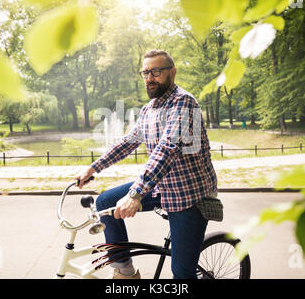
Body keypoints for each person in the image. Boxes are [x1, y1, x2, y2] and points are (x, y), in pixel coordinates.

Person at [76, 49, 218, 279]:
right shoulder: (149, 109)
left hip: (190, 195)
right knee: (105, 203)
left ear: (172, 72)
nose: (149, 78)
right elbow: (128, 142)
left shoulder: (184, 103)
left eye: (156, 72)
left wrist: (135, 194)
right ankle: (125, 270)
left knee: (181, 274)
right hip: (162, 186)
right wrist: (93, 167)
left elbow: (167, 149)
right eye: (145, 72)